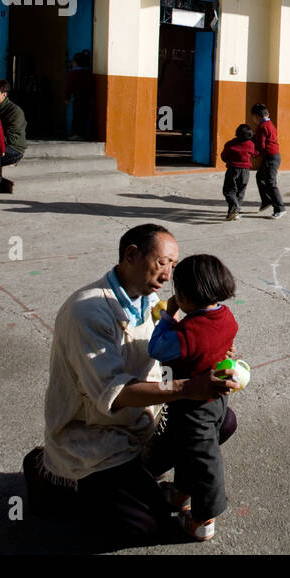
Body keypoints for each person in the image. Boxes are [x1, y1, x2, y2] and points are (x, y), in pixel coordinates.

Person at [21, 225, 238, 547]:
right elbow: (115, 393)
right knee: (143, 526)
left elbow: (177, 352)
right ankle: (46, 473)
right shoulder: (88, 311)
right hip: (96, 432)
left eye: (173, 266)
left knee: (220, 420)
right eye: (162, 262)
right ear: (132, 255)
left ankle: (142, 477)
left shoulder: (152, 303)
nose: (168, 275)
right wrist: (189, 387)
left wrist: (214, 358)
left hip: (143, 424)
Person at [147, 254, 240, 541]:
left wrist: (168, 316)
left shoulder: (188, 332)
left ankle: (203, 520)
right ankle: (181, 493)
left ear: (185, 296)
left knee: (204, 460)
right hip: (215, 402)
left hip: (194, 407)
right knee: (186, 448)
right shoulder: (226, 316)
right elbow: (224, 344)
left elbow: (156, 348)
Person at [250, 103, 285, 218]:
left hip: (271, 157)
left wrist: (253, 153)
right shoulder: (269, 123)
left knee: (270, 182)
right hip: (272, 156)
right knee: (260, 177)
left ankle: (280, 208)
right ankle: (266, 201)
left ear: (256, 117)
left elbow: (261, 145)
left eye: (253, 117)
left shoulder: (261, 127)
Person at [219, 123, 255, 221]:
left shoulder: (230, 144)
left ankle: (235, 207)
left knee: (229, 191)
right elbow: (255, 154)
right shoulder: (250, 144)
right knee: (240, 192)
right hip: (246, 171)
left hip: (233, 170)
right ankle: (233, 213)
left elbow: (223, 157)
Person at [65, 50, 94, 140]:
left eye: (73, 62)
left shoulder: (73, 74)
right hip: (87, 98)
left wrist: (67, 98)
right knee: (84, 116)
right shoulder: (88, 74)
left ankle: (76, 134)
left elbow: (69, 87)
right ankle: (82, 134)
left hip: (77, 98)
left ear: (76, 63)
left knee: (77, 116)